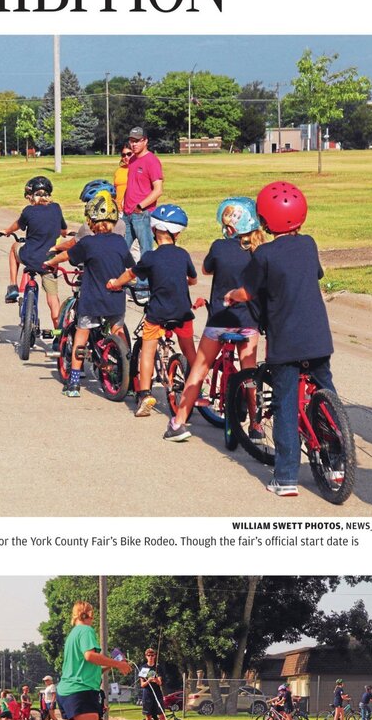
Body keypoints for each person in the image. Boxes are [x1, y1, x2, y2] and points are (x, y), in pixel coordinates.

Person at [223, 181, 335, 496]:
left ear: (265, 220)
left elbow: (248, 292)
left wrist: (232, 295)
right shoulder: (309, 244)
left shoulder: (265, 255)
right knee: (325, 390)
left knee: (286, 405)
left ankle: (286, 478)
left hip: (286, 342)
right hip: (318, 336)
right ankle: (337, 456)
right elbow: (313, 275)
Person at [164, 196, 265, 442]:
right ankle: (255, 425)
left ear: (229, 226)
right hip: (248, 322)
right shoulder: (259, 251)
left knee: (199, 369)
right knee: (250, 374)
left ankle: (179, 423)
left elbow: (207, 269)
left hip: (219, 320)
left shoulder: (219, 247)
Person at [106, 203, 197, 417]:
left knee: (147, 350)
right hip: (183, 313)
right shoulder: (183, 254)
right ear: (177, 234)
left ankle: (145, 394)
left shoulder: (150, 257)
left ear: (155, 231)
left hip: (158, 313)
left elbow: (130, 274)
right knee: (189, 351)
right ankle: (197, 386)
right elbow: (193, 279)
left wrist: (115, 284)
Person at [45, 190, 135, 398]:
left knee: (81, 335)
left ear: (90, 221)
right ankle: (127, 375)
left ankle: (74, 383)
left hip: (92, 299)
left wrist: (50, 261)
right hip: (115, 298)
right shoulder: (121, 242)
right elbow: (130, 268)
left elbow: (69, 256)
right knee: (118, 329)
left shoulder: (87, 243)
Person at [2, 176, 68, 329]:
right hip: (49, 261)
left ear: (31, 196)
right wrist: (66, 233)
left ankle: (13, 286)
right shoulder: (56, 208)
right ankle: (58, 333)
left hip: (29, 256)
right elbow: (62, 229)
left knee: (14, 247)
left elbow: (17, 226)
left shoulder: (28, 211)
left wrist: (6, 231)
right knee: (52, 297)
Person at [121, 126, 164, 292]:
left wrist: (141, 206)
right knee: (120, 249)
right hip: (128, 213)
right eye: (132, 141)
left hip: (142, 214)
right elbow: (132, 185)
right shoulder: (132, 160)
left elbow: (158, 190)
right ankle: (122, 281)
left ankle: (144, 286)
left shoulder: (152, 161)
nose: (134, 144)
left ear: (145, 141)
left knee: (146, 250)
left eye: (137, 141)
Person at [138, 648, 170, 720]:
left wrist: (155, 680)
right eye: (149, 655)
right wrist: (148, 680)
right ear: (146, 656)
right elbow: (142, 684)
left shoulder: (158, 667)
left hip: (157, 694)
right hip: (147, 695)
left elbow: (160, 682)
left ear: (155, 656)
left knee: (161, 715)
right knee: (148, 716)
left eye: (152, 655)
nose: (151, 657)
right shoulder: (144, 668)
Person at [113, 144, 132, 211]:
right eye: (123, 155)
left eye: (129, 154)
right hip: (117, 209)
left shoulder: (138, 169)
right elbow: (115, 189)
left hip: (131, 210)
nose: (126, 157)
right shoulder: (119, 170)